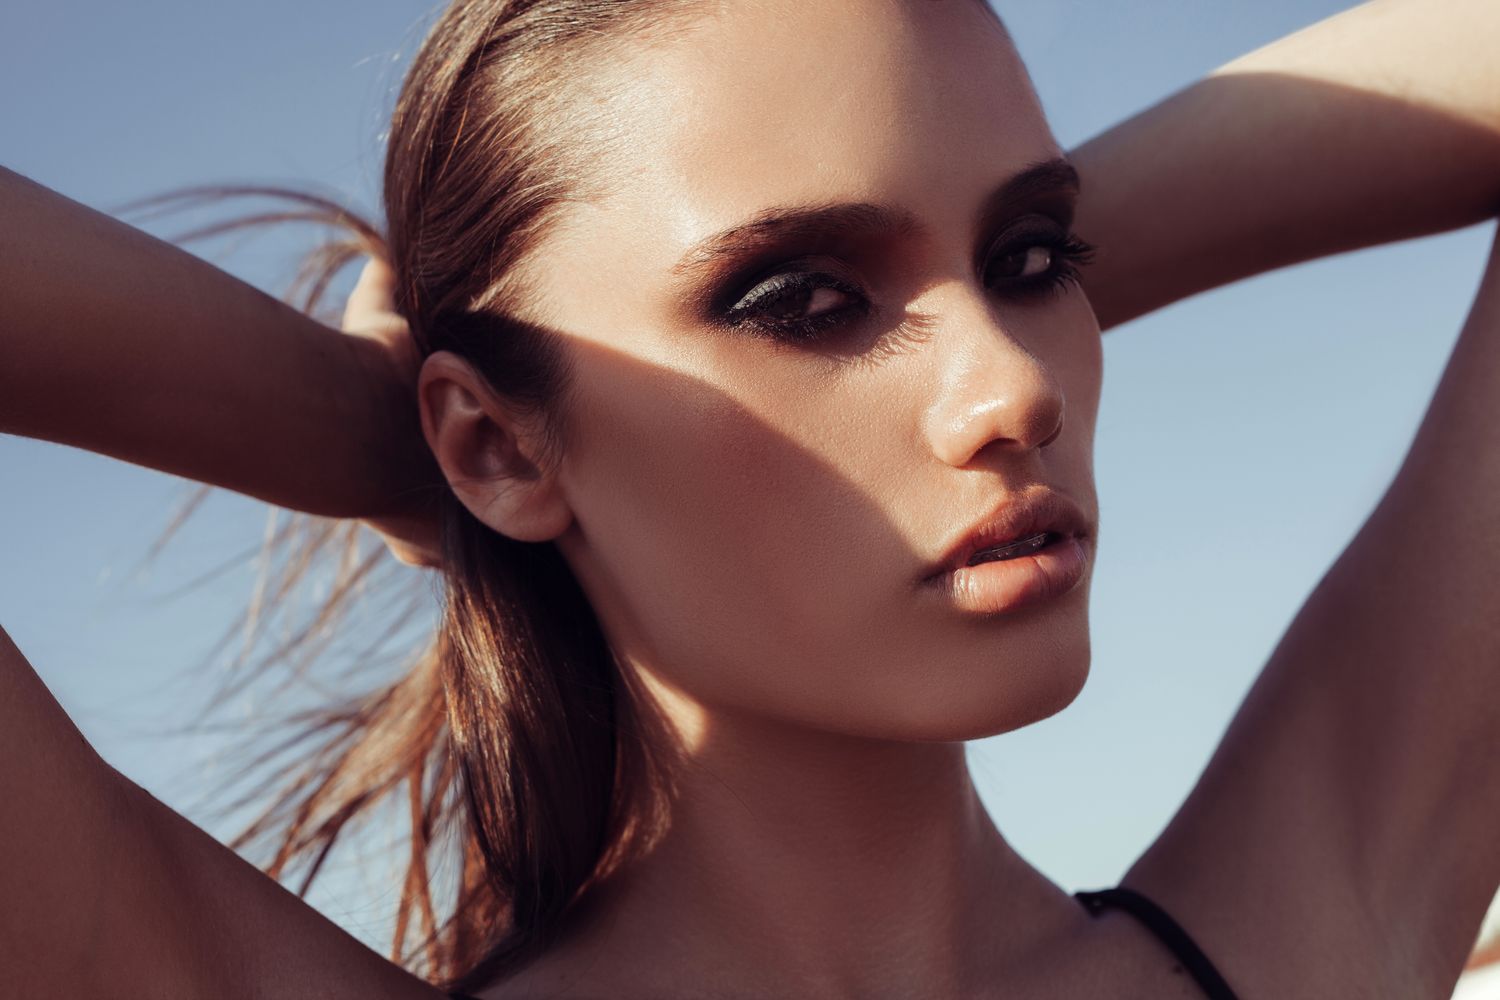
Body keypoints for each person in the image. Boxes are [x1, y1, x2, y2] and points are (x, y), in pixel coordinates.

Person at [3, 0, 1499, 997]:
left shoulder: (1287, 940)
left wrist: (491, 449)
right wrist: (379, 443)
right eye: (800, 299)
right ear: (498, 447)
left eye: (1036, 262)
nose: (1018, 392)